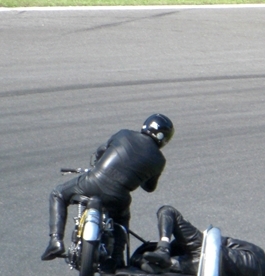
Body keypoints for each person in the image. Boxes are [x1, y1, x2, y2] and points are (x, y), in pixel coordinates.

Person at [41, 114, 174, 266]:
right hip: (119, 196)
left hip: (94, 181)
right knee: (122, 220)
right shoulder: (159, 161)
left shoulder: (124, 133)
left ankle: (55, 241)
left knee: (58, 193)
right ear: (164, 138)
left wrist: (98, 165)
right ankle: (117, 258)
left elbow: (100, 151)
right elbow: (150, 187)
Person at [132, 205, 265, 276]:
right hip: (205, 270)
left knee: (167, 211)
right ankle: (144, 261)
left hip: (205, 248)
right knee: (168, 265)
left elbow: (224, 241)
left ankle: (163, 248)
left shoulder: (258, 253)